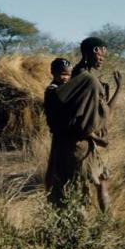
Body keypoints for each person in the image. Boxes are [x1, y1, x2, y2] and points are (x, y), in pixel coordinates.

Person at [45, 37, 121, 212]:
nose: (102, 59)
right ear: (95, 51)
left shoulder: (85, 77)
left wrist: (119, 88)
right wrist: (93, 135)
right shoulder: (84, 79)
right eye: (102, 55)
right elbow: (72, 114)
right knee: (78, 194)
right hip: (77, 145)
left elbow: (98, 113)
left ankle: (106, 225)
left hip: (84, 143)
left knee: (100, 182)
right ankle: (83, 234)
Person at [44, 57, 73, 192]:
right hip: (59, 133)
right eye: (62, 74)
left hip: (66, 133)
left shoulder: (66, 87)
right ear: (53, 73)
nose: (65, 77)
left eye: (68, 74)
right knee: (56, 165)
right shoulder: (52, 90)